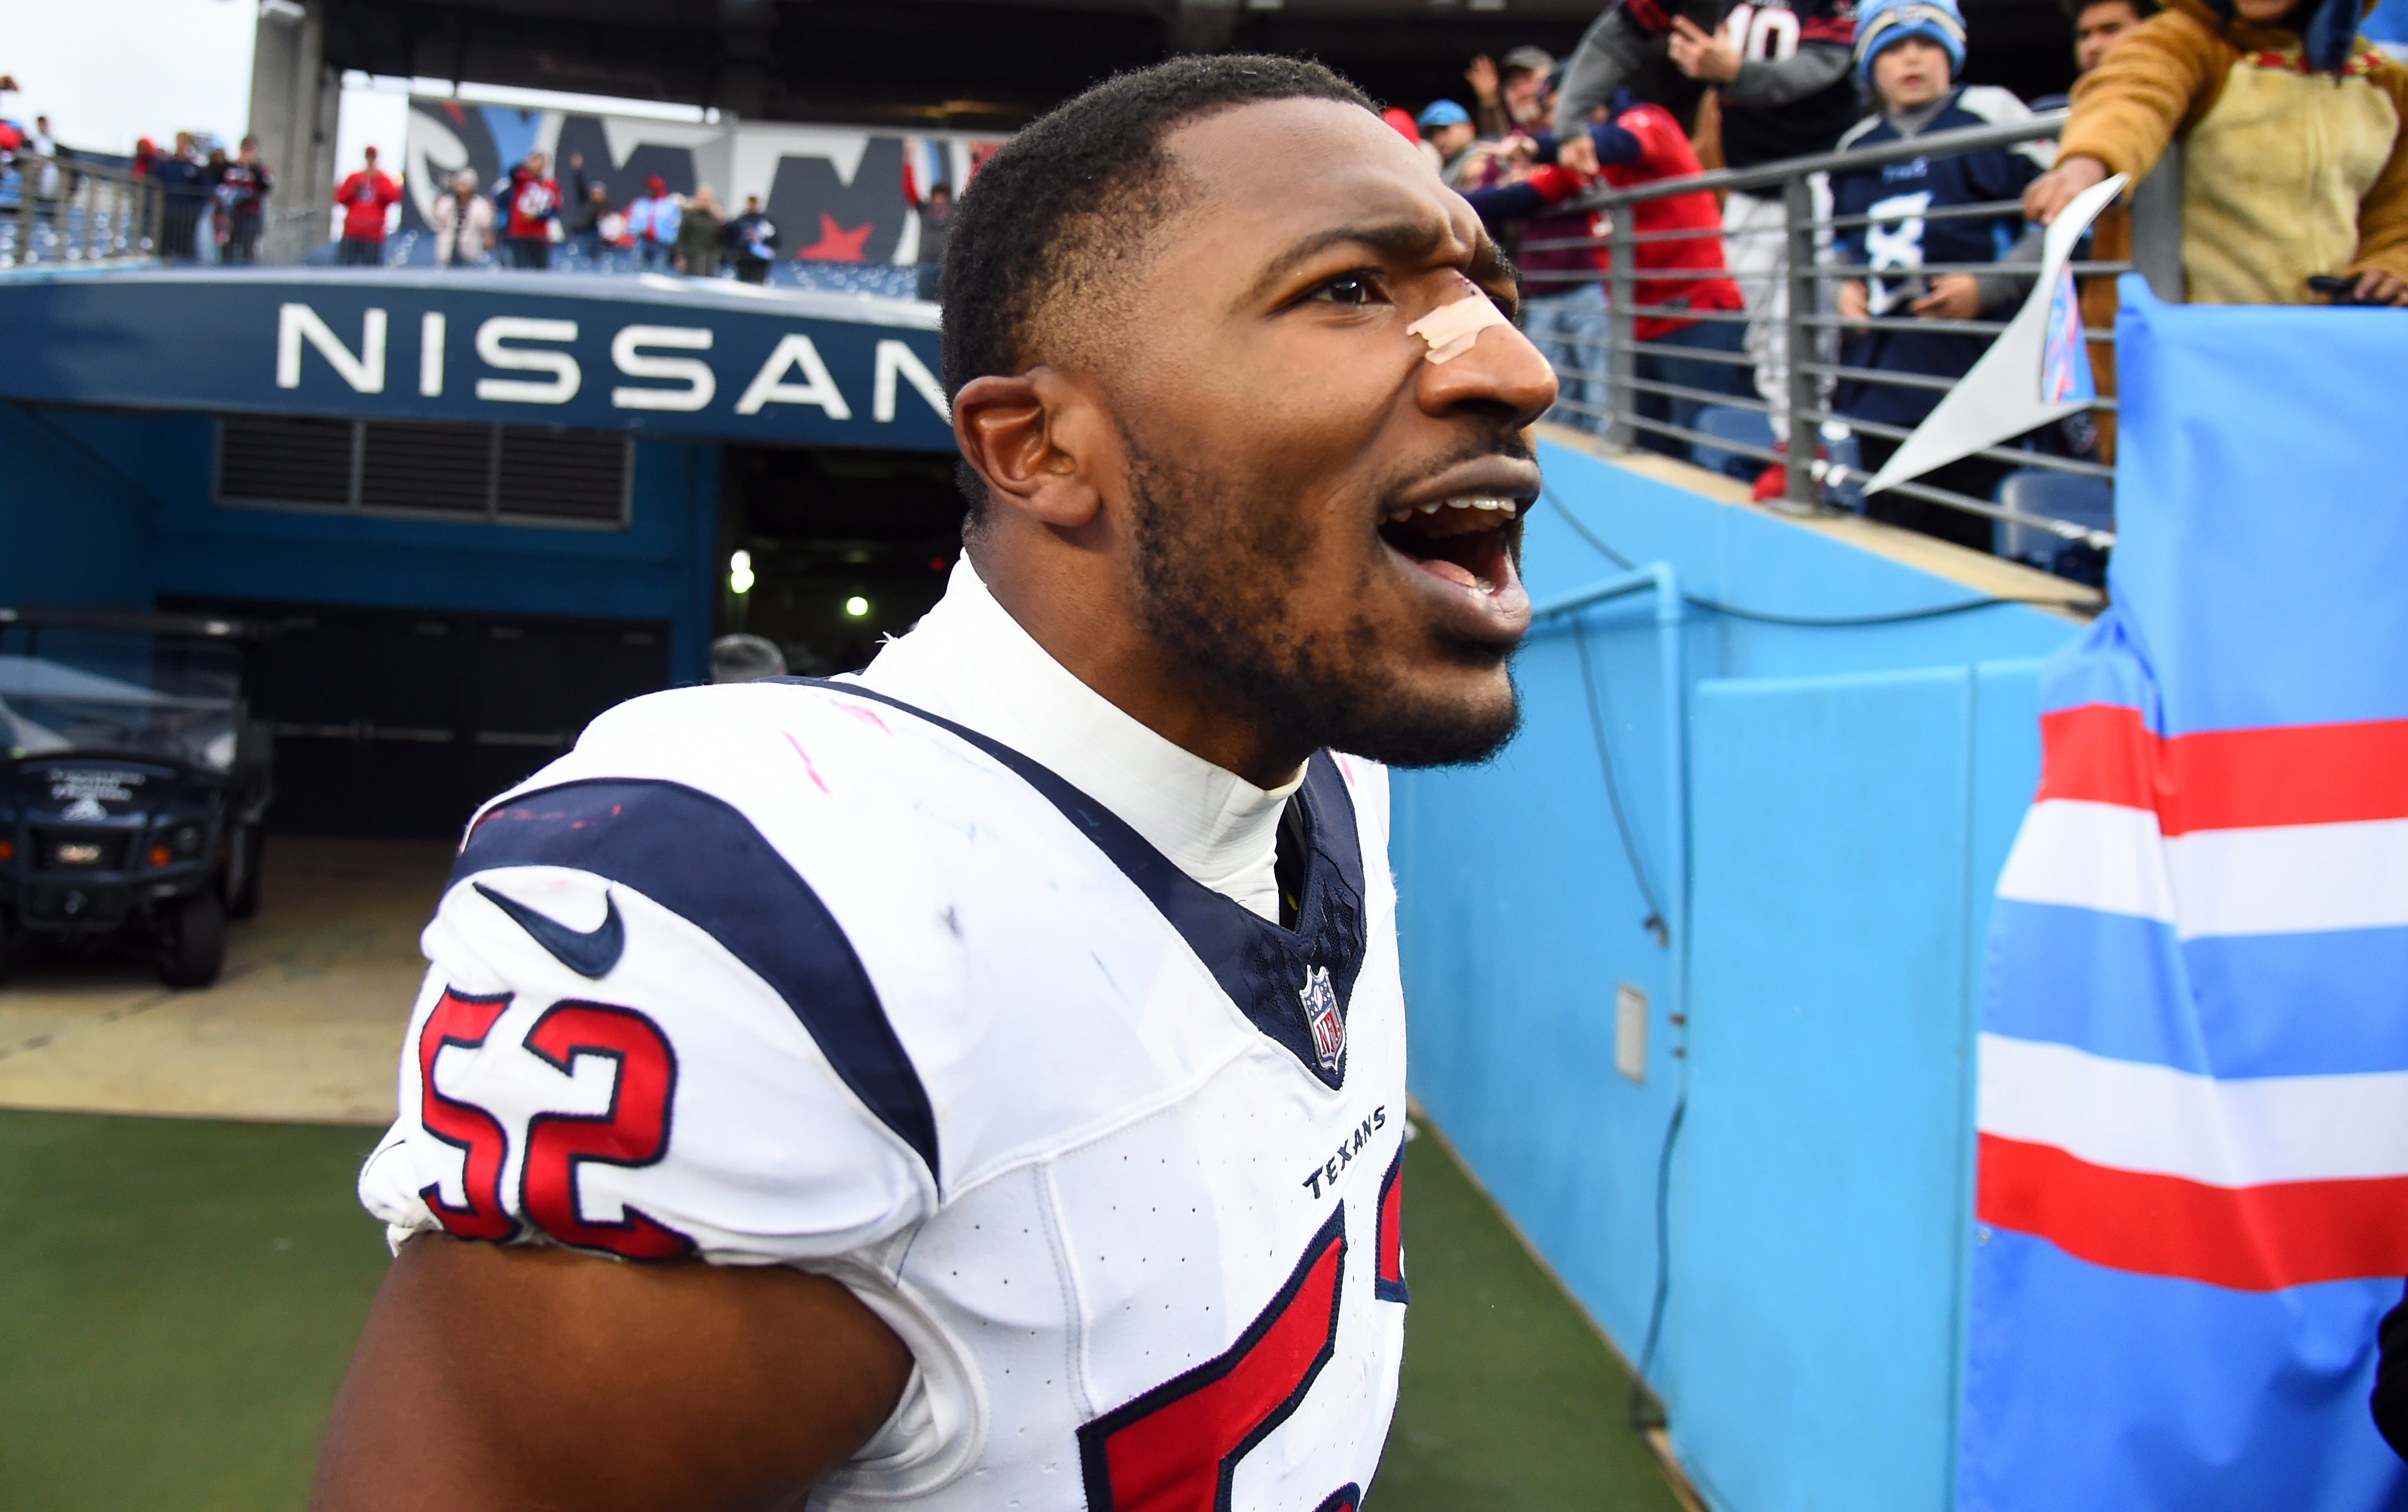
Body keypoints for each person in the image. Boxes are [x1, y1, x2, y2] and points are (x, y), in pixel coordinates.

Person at [311, 53, 1554, 1510]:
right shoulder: (785, 896)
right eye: (1349, 289)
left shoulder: (1317, 752)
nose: (1509, 365)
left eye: (1484, 293)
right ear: (1036, 446)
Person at [1553, 0, 1863, 498]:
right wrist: (1568, 125)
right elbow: (1617, 35)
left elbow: (1822, 66)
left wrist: (1736, 72)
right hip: (1751, 182)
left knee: (1807, 328)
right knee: (1766, 333)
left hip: (1824, 173)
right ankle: (1796, 449)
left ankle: (1813, 454)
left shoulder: (1647, 123)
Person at [1831, 0, 2051, 548]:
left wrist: (1991, 285)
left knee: (1979, 531)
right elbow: (1837, 244)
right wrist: (1843, 286)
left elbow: (2058, 217)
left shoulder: (1994, 113)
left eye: (1927, 44)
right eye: (1894, 47)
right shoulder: (1856, 146)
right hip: (1885, 378)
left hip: (1979, 373)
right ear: (1869, 65)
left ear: (1951, 52)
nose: (1913, 58)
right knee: (1894, 531)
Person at [2024, 0, 2408, 306]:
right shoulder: (2181, 39)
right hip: (2194, 353)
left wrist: (2391, 268)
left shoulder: (2382, 80)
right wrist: (2084, 166)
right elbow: (2129, 97)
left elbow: (2397, 217)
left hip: (2326, 359)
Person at [1465, 45, 1558, 137]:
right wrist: (1489, 100)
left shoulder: (1567, 131)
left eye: (1531, 81)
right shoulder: (1514, 136)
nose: (1523, 92)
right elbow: (1498, 141)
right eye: (1513, 85)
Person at [334, 146, 400, 267]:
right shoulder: (354, 178)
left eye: (373, 157)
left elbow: (393, 197)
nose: (371, 160)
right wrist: (353, 190)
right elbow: (340, 198)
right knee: (345, 267)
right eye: (369, 156)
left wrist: (378, 180)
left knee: (371, 269)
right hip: (353, 231)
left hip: (373, 233)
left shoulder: (383, 179)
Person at [499, 151, 562, 271]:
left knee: (541, 271)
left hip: (540, 236)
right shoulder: (522, 180)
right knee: (521, 270)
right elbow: (512, 172)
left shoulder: (551, 184)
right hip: (519, 235)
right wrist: (525, 165)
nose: (539, 166)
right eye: (536, 161)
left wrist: (538, 216)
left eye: (542, 162)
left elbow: (555, 210)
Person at [156, 132, 212, 261]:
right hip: (168, 208)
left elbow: (205, 187)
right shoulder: (167, 164)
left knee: (185, 242)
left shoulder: (195, 167)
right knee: (165, 240)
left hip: (187, 213)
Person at [214, 136, 271, 264]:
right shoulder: (231, 167)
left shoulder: (259, 169)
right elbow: (219, 180)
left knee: (248, 245)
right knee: (228, 244)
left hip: (251, 213)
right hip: (230, 214)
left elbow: (265, 187)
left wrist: (253, 168)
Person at [431, 168, 494, 268]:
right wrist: (435, 205)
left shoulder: (480, 204)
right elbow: (438, 218)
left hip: (470, 247)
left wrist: (491, 211)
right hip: (449, 247)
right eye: (459, 184)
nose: (461, 188)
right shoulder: (448, 202)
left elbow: (485, 224)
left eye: (464, 185)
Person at [1418, 98, 1484, 186]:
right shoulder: (1441, 163)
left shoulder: (1477, 159)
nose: (1439, 139)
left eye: (1444, 129)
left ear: (1469, 128)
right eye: (1432, 134)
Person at [626, 174, 681, 272]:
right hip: (642, 244)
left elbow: (675, 227)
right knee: (638, 274)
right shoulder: (640, 204)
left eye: (652, 188)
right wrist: (639, 231)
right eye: (648, 188)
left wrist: (664, 238)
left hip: (661, 245)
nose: (649, 190)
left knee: (658, 275)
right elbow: (632, 224)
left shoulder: (670, 206)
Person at [725, 193, 779, 283]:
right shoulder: (740, 220)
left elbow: (777, 241)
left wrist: (761, 239)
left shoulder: (767, 221)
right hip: (743, 260)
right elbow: (731, 238)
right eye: (751, 202)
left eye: (755, 202)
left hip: (761, 261)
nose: (753, 205)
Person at [567, 154, 610, 265]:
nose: (597, 195)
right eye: (595, 193)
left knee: (595, 262)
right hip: (582, 234)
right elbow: (579, 185)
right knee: (580, 261)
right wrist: (577, 170)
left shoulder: (605, 207)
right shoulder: (585, 201)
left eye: (600, 193)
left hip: (595, 236)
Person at [674, 185, 724, 277]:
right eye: (703, 198)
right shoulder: (690, 215)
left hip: (709, 259)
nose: (705, 202)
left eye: (707, 199)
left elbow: (720, 238)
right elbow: (682, 236)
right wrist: (681, 256)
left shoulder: (715, 217)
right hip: (692, 258)